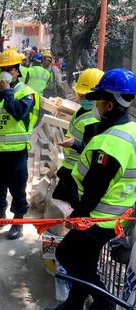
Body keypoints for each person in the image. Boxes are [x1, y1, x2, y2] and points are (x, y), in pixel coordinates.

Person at [45, 68, 136, 310]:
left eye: (98, 101)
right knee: (86, 260)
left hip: (98, 219)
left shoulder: (109, 143)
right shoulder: (130, 129)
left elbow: (95, 190)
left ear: (109, 104)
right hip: (116, 215)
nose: (94, 105)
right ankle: (75, 304)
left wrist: (77, 219)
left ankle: (104, 303)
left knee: (67, 255)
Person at [0, 49, 40, 240]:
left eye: (10, 68)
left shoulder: (26, 93)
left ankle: (18, 220)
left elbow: (17, 112)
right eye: (3, 68)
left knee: (17, 187)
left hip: (17, 152)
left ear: (18, 71)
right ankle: (0, 214)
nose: (6, 72)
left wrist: (7, 92)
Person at [52, 68, 104, 207]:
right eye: (80, 95)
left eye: (86, 96)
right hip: (69, 168)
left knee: (72, 211)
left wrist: (74, 144)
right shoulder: (83, 110)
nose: (82, 99)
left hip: (79, 173)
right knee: (58, 204)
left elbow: (93, 152)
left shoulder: (95, 119)